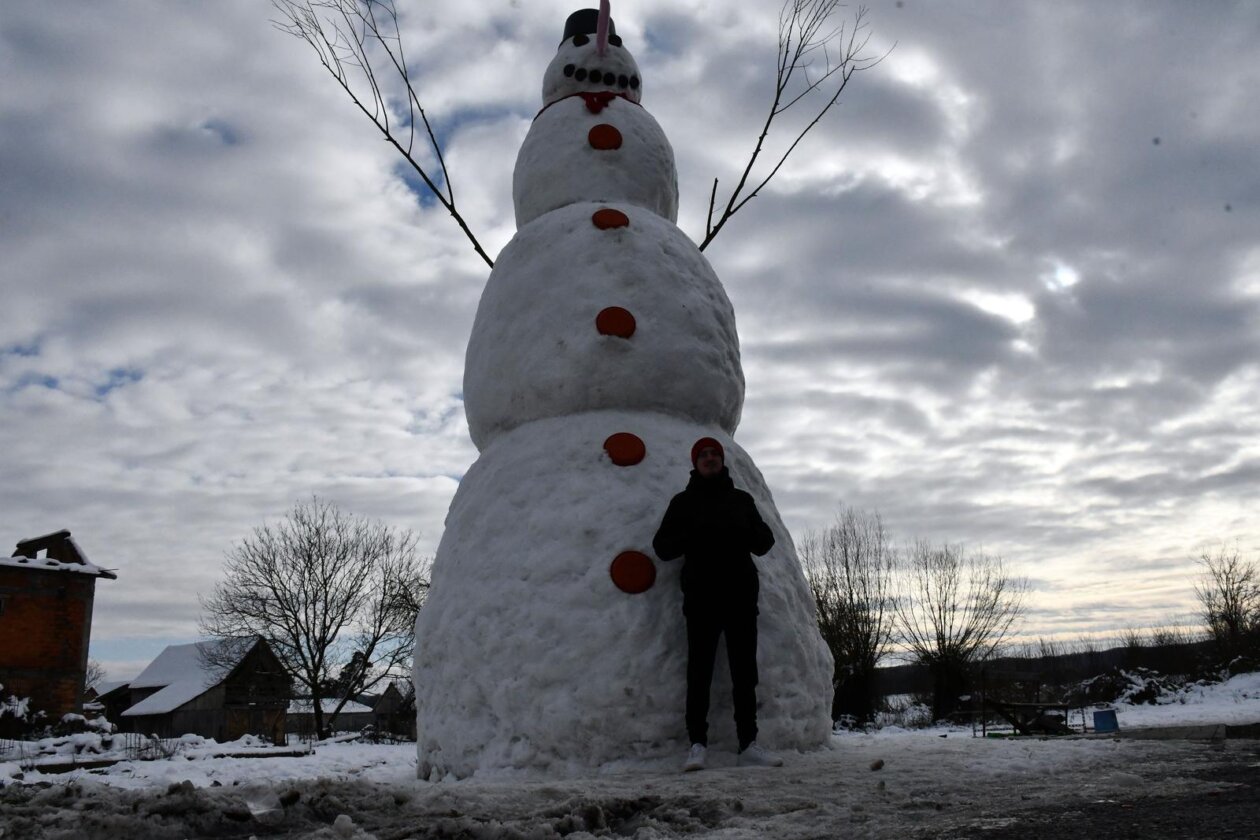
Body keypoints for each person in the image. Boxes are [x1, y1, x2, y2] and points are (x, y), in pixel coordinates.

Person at [653, 437, 784, 771]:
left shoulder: (741, 500)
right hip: (701, 598)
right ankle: (697, 744)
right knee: (699, 672)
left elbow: (765, 541)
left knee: (744, 672)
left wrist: (743, 532)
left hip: (740, 595)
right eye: (704, 455)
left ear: (722, 460)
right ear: (695, 462)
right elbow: (662, 547)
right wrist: (694, 535)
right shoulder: (682, 503)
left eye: (714, 454)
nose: (710, 458)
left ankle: (749, 744)